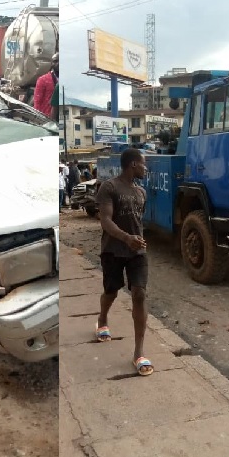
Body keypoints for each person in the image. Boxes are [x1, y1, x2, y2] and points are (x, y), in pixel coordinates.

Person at [94, 148, 151, 376]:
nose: (146, 168)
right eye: (143, 164)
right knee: (111, 292)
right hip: (114, 250)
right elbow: (105, 221)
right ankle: (102, 318)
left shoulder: (141, 192)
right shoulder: (110, 187)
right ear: (133, 165)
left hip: (138, 252)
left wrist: (135, 241)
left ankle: (138, 352)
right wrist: (127, 238)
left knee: (140, 294)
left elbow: (137, 221)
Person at [34, 53, 58, 119]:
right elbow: (37, 101)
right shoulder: (43, 80)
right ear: (51, 64)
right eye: (55, 61)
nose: (58, 64)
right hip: (47, 118)